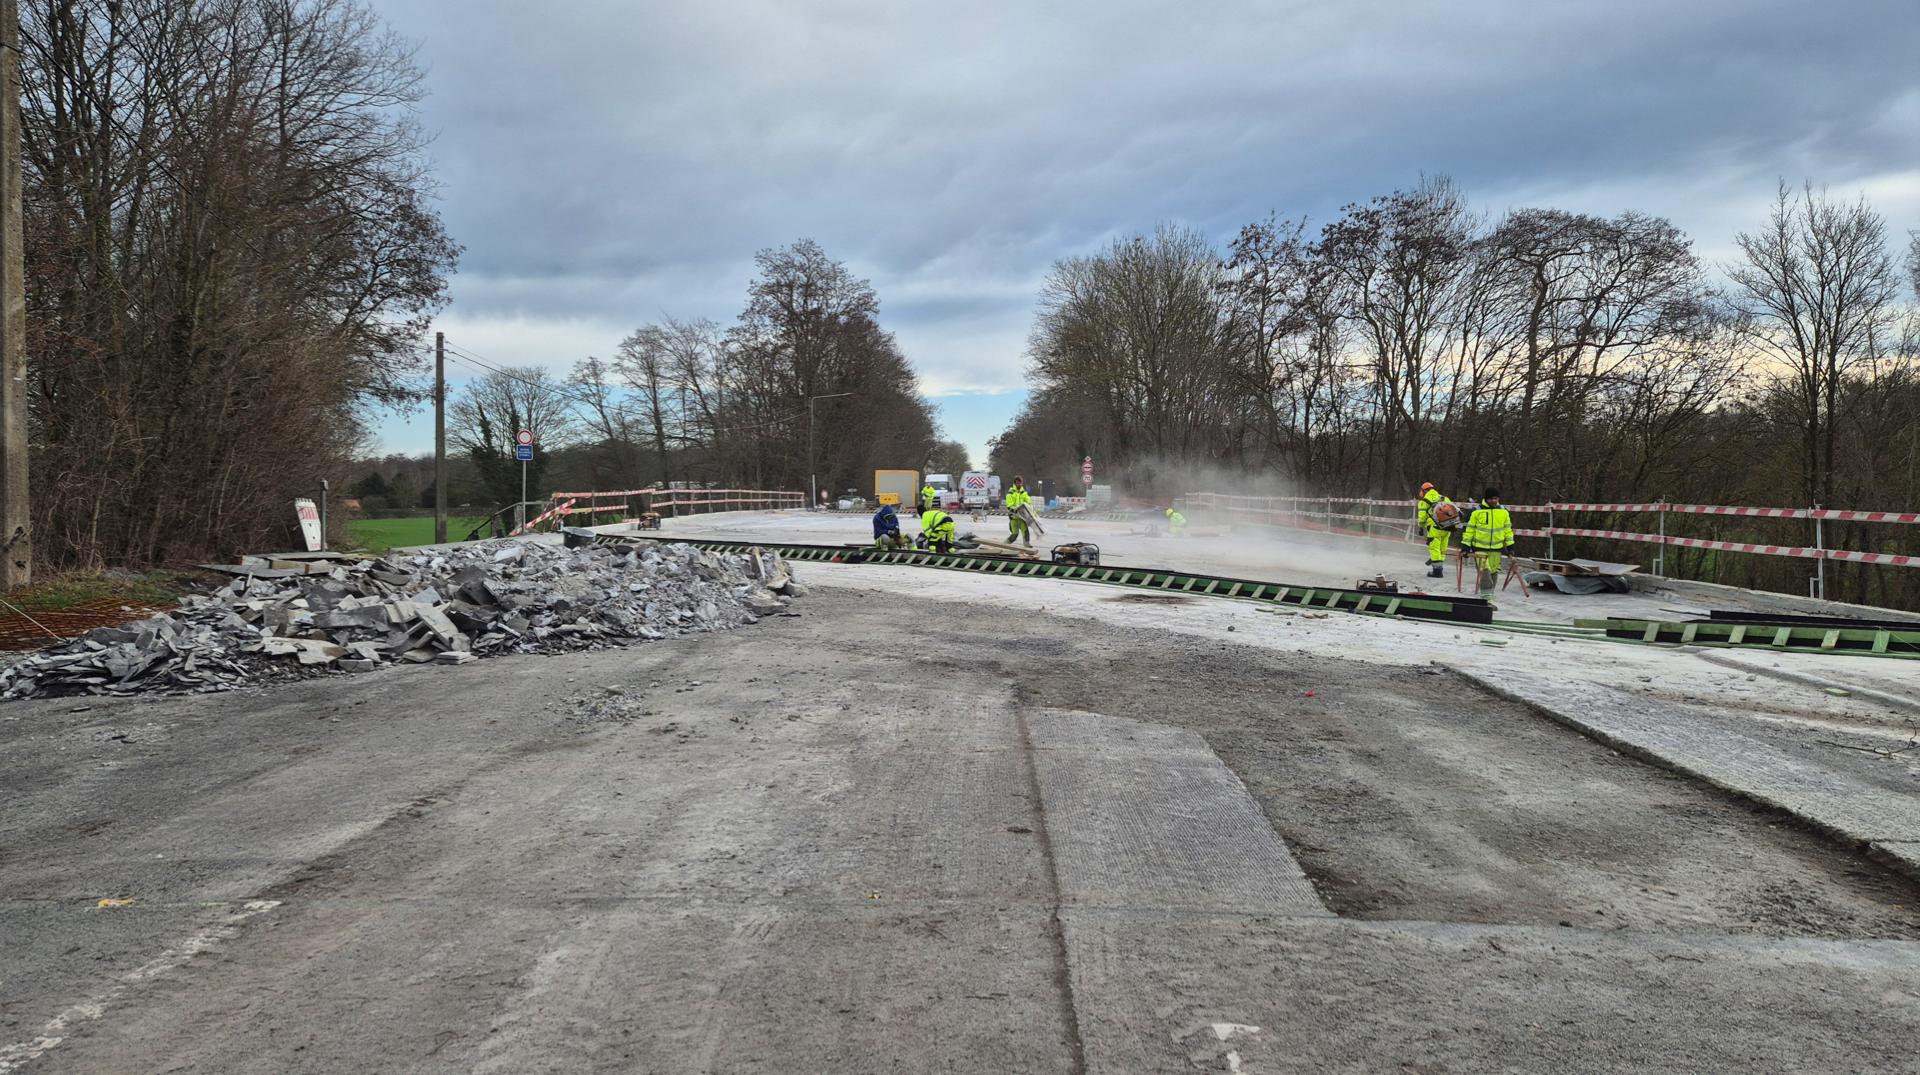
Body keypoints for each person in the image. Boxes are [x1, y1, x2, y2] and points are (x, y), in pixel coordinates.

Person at [1461, 488, 1516, 600]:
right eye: (1491, 499)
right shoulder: (1477, 511)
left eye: (1495, 498)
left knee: (1494, 572)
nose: (1493, 501)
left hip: (1497, 549)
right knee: (1485, 571)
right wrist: (1465, 546)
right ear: (1486, 499)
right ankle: (1486, 598)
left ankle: (1489, 596)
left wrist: (1510, 547)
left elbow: (1508, 531)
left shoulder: (1503, 511)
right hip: (1479, 548)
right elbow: (1469, 530)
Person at [1415, 481, 1453, 579]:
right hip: (1447, 526)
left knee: (1434, 547)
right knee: (1442, 548)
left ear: (1425, 490)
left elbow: (1422, 517)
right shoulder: (1445, 498)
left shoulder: (1424, 501)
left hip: (1435, 527)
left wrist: (1420, 526)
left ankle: (1437, 572)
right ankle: (1440, 567)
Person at [1004, 476, 1034, 547]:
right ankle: (1004, 545)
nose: (1019, 485)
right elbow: (1009, 505)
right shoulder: (1010, 493)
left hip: (1022, 517)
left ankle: (1027, 545)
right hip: (1014, 517)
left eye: (1020, 483)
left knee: (1025, 532)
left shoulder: (1024, 493)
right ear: (1014, 483)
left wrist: (1031, 511)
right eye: (1018, 483)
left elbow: (1029, 502)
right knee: (1015, 534)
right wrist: (1015, 508)